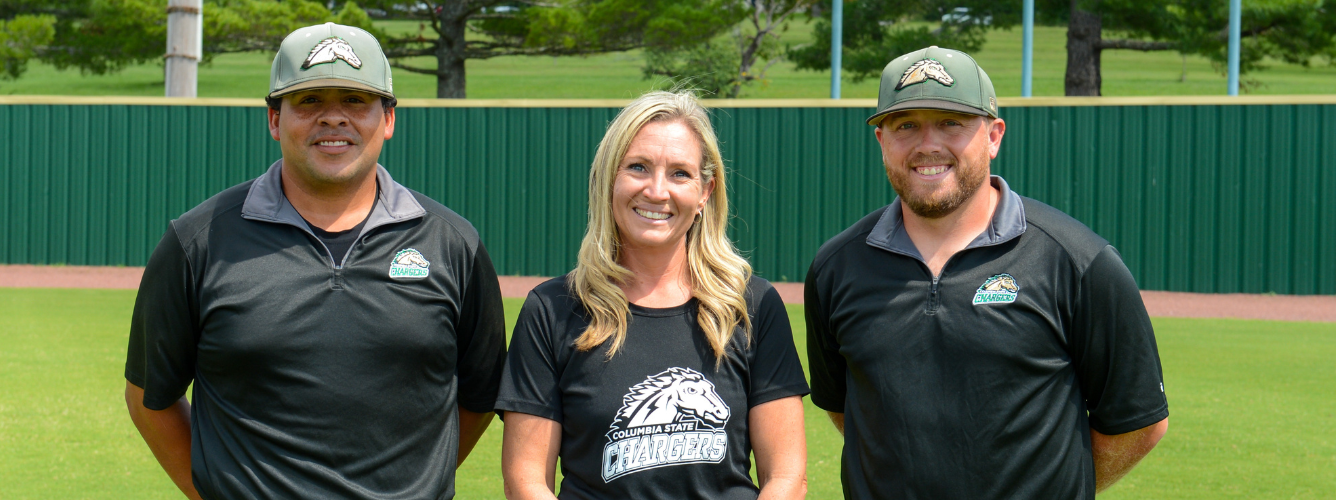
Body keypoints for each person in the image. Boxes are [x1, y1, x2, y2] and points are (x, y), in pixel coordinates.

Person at [123, 22, 506, 499]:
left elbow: (481, 395)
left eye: (354, 100)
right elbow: (148, 399)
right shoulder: (197, 242)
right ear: (274, 119)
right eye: (308, 101)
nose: (333, 118)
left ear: (388, 119)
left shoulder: (453, 244)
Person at [805, 46, 1169, 499]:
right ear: (882, 140)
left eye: (951, 123)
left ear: (994, 136)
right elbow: (848, 412)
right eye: (906, 125)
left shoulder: (1076, 260)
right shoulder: (837, 266)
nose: (927, 144)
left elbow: (1139, 423)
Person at [496, 90, 810, 500]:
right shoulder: (551, 310)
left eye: (680, 173)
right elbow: (526, 481)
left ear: (705, 192)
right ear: (609, 180)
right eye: (638, 167)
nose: (657, 191)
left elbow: (786, 476)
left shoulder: (751, 307)